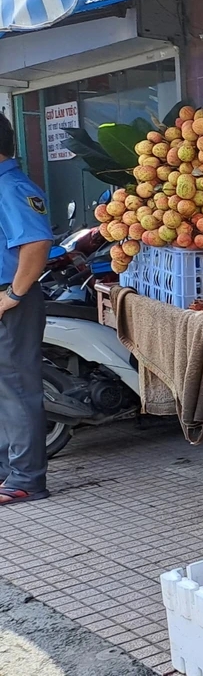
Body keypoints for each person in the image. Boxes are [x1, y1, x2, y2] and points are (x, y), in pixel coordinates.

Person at [0, 113, 54, 504]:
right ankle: (9, 471)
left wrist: (13, 296)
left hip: (11, 298)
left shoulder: (12, 187)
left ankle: (25, 479)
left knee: (18, 388)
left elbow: (36, 245)